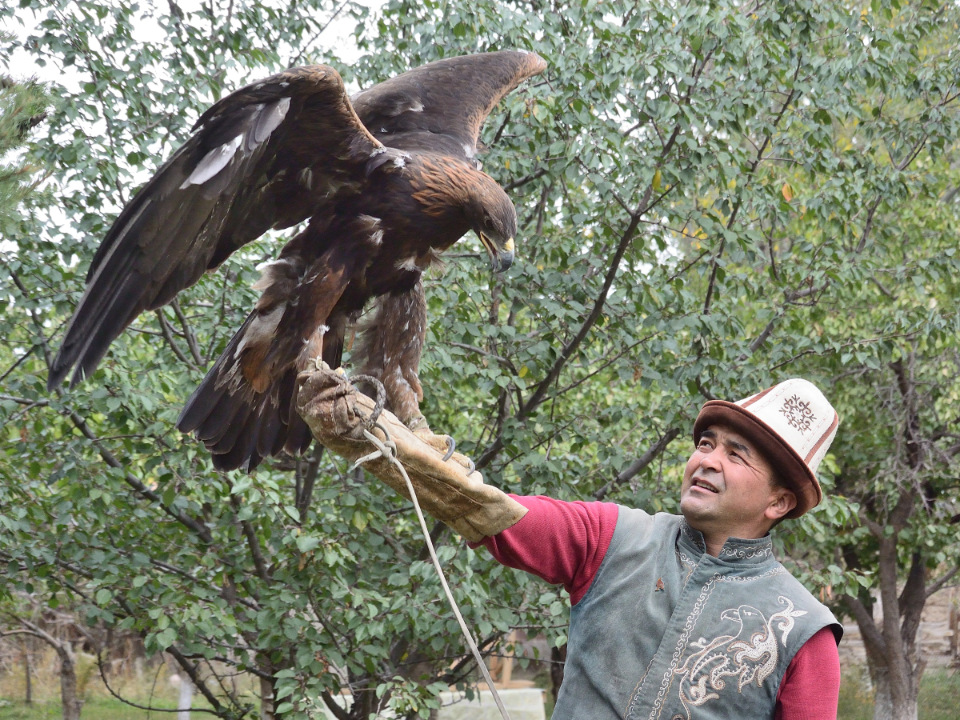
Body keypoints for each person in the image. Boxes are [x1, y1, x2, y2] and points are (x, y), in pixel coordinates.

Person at [298, 372, 843, 720]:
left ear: (779, 503)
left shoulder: (803, 630)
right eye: (705, 444)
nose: (707, 460)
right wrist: (382, 439)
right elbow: (487, 508)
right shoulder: (614, 536)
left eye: (737, 454)